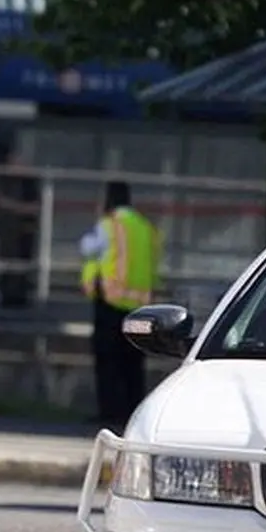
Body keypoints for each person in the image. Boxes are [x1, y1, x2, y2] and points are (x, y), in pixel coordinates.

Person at [78, 181, 161, 429]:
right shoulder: (146, 227)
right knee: (133, 364)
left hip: (111, 301)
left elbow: (87, 247)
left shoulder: (110, 225)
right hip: (139, 304)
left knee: (107, 361)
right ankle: (131, 413)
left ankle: (110, 412)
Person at [0, 147, 40, 308]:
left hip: (24, 231)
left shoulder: (29, 183)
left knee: (21, 268)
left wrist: (8, 204)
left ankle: (20, 299)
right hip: (5, 232)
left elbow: (34, 207)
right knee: (6, 268)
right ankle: (5, 297)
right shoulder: (2, 181)